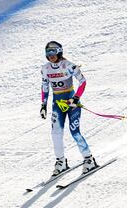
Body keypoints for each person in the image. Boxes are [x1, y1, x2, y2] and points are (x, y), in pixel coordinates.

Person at [40, 41, 97, 176]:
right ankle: (61, 161)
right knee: (56, 133)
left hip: (71, 103)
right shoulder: (45, 68)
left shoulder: (69, 65)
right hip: (57, 104)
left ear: (59, 52)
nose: (51, 55)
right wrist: (43, 105)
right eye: (48, 52)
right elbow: (45, 86)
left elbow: (82, 81)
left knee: (74, 131)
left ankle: (89, 159)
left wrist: (76, 98)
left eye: (53, 52)